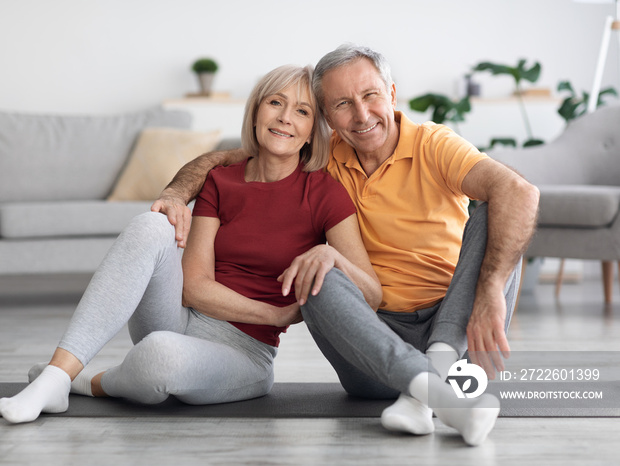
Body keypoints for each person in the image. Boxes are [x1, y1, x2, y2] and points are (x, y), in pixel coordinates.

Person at [151, 45, 540, 446]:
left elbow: (521, 192)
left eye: (370, 95)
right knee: (319, 274)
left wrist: (492, 289)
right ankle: (436, 394)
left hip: (459, 341)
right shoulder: (320, 157)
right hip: (369, 352)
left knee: (499, 207)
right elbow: (222, 161)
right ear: (327, 117)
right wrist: (177, 193)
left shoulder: (433, 144)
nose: (361, 114)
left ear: (391, 93)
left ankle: (425, 390)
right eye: (342, 104)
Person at [0, 64, 382, 424]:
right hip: (177, 319)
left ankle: (87, 383)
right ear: (255, 112)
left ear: (314, 130)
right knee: (151, 225)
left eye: (301, 111)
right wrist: (276, 315)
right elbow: (194, 286)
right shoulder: (222, 180)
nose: (284, 117)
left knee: (159, 355)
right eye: (275, 102)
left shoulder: (325, 193)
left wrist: (333, 257)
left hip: (244, 353)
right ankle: (55, 377)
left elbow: (372, 294)